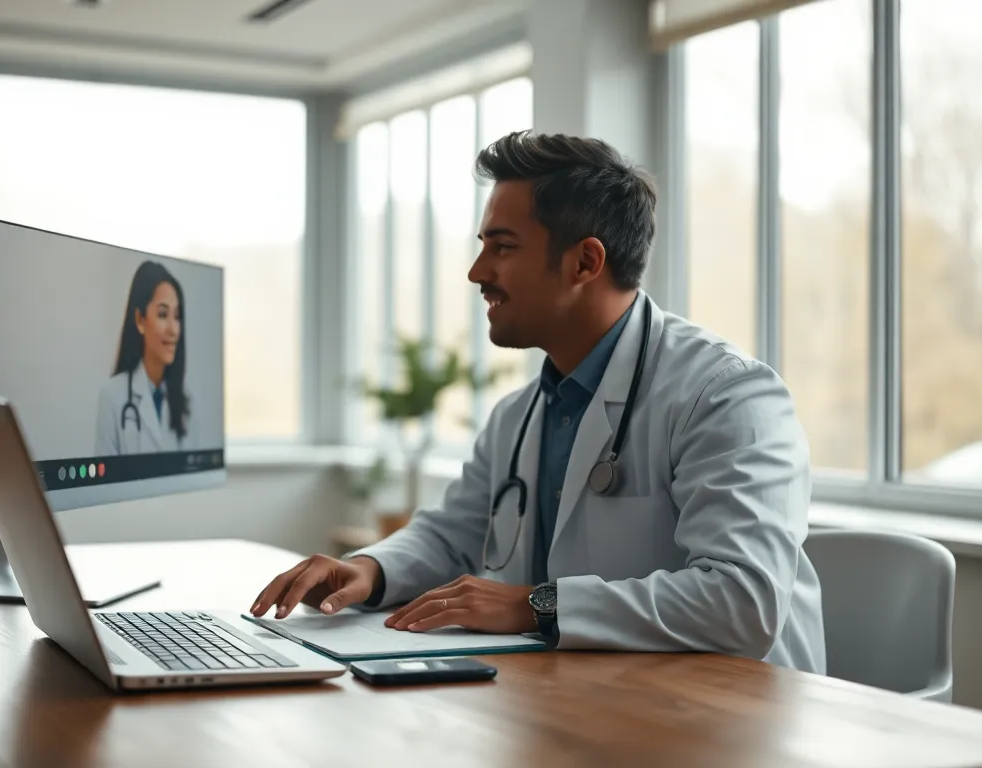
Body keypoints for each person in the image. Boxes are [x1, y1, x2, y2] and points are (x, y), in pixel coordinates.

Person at [250, 131, 826, 673]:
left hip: (738, 723)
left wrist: (535, 606)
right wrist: (368, 570)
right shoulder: (521, 414)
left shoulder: (725, 395)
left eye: (502, 248)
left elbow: (743, 601)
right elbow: (453, 534)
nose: (478, 272)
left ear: (585, 262)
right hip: (594, 698)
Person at [95, 260, 205, 455]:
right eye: (163, 314)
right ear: (140, 320)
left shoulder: (187, 403)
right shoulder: (112, 397)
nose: (173, 329)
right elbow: (104, 483)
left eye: (177, 317)